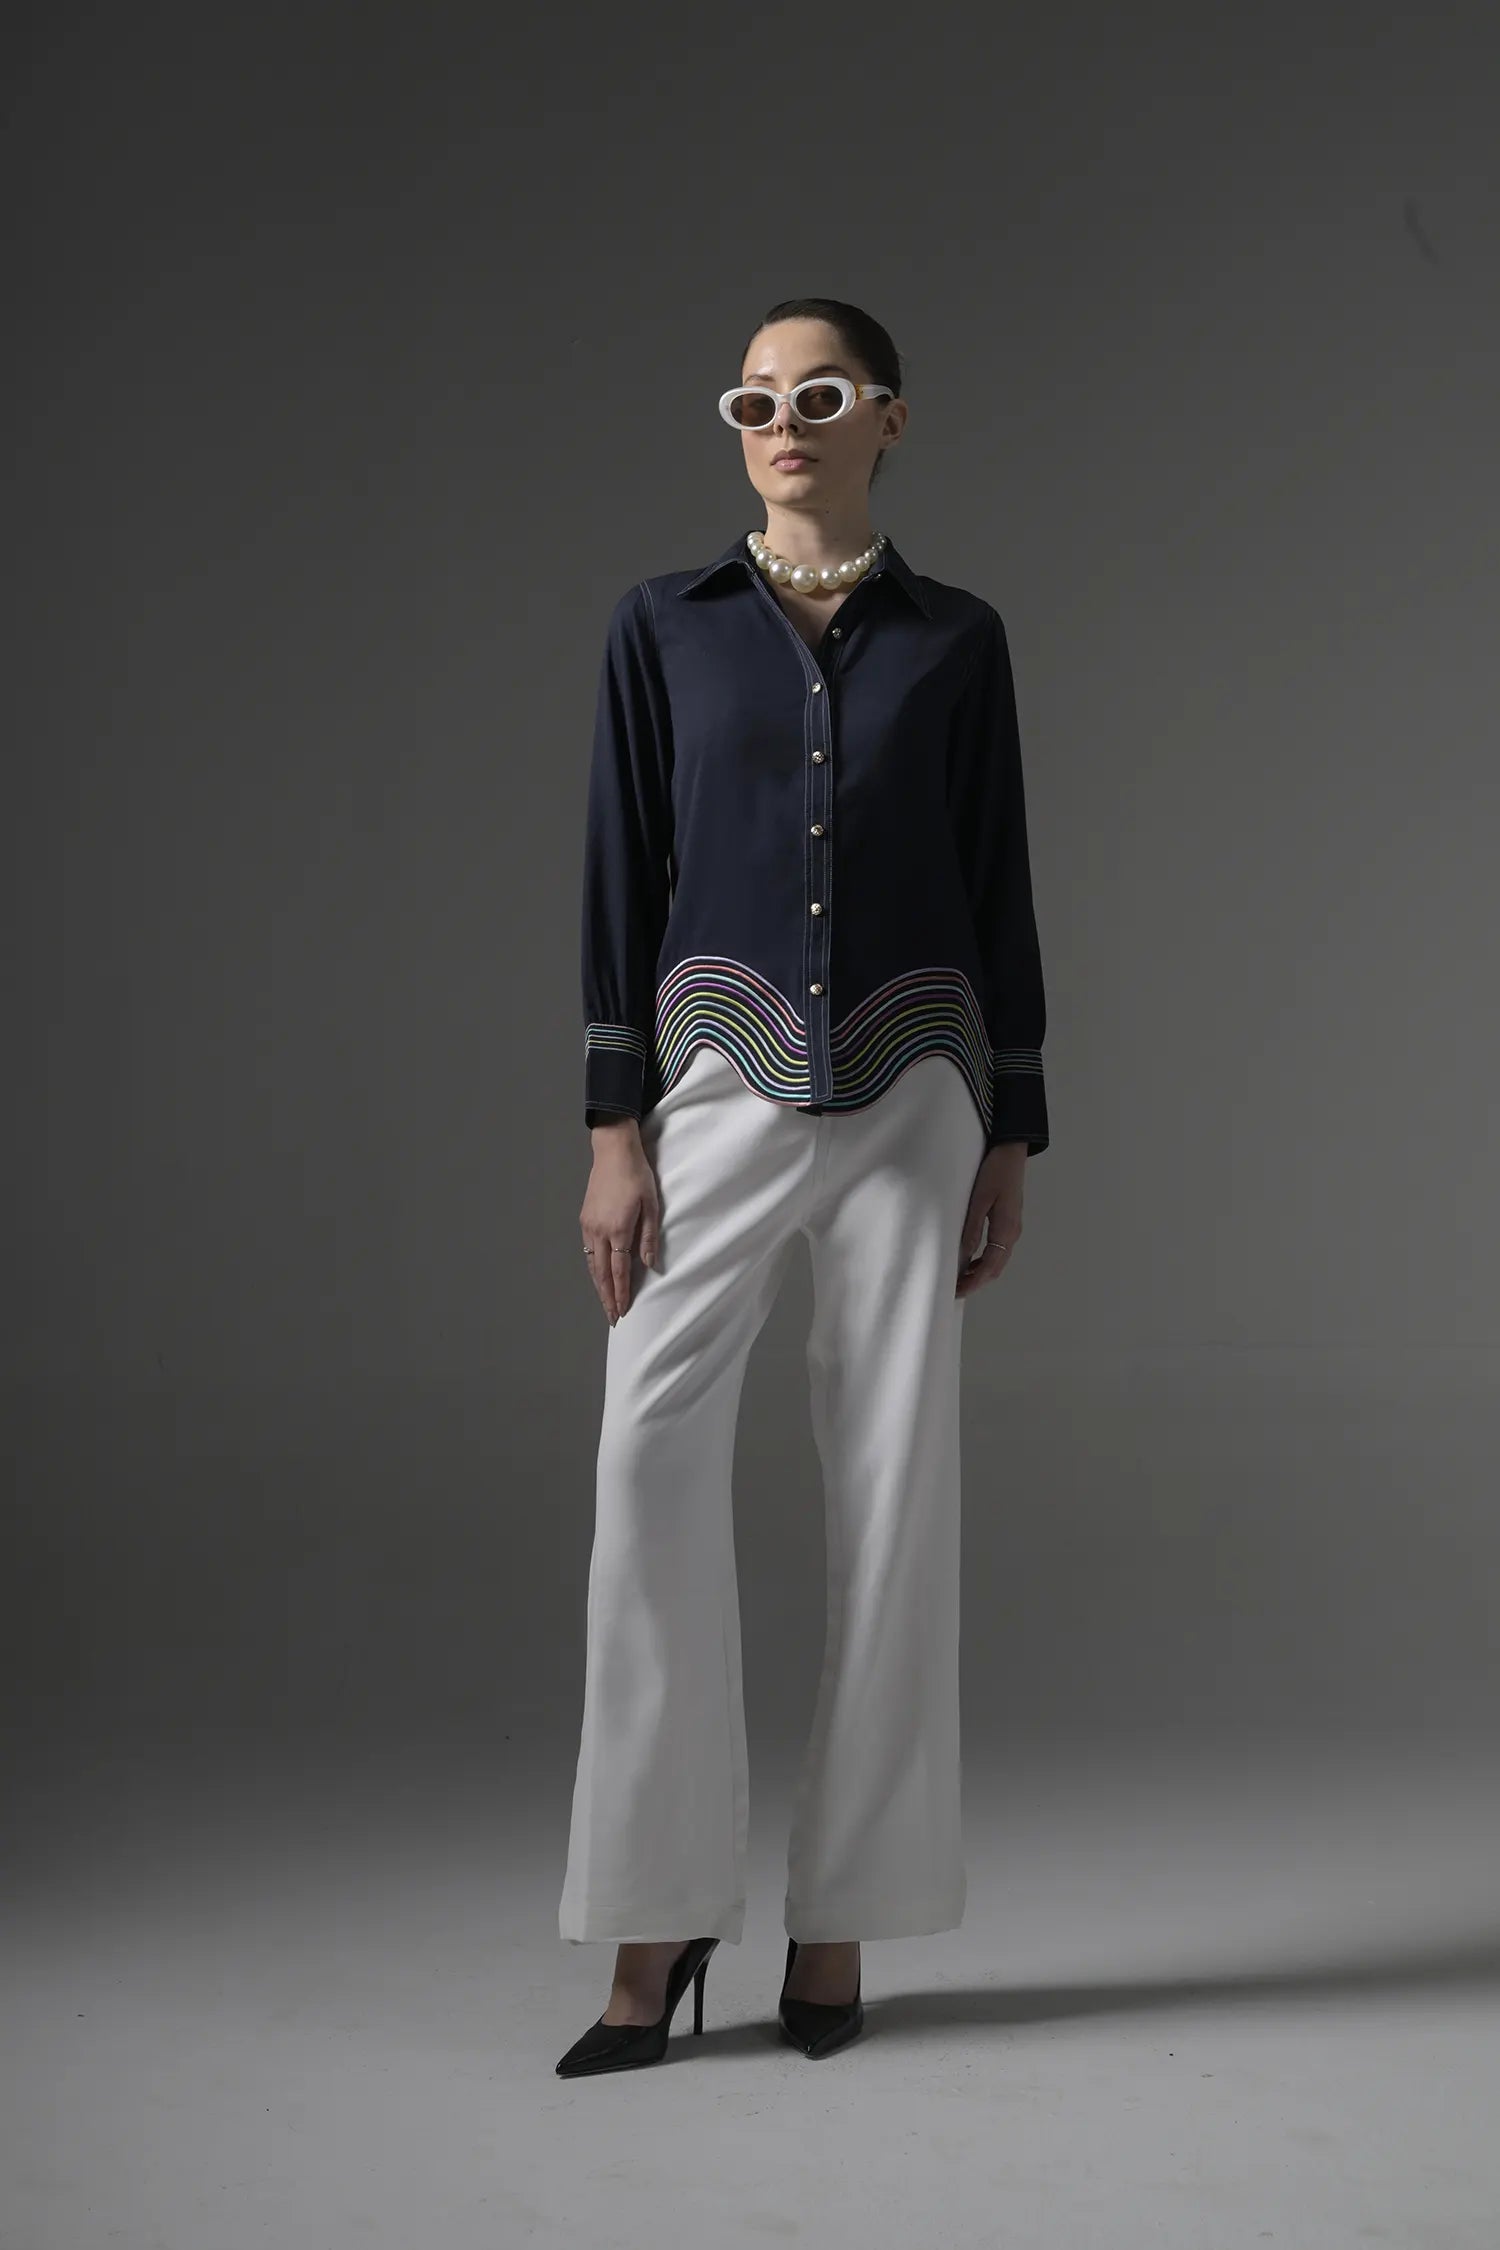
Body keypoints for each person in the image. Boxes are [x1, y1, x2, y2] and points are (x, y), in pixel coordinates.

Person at [555, 297, 1049, 2076]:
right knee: (645, 1462)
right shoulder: (663, 627)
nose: (782, 421)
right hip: (711, 1079)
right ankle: (659, 1902)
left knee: (898, 1487)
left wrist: (1014, 1122)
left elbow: (998, 875)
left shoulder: (959, 640)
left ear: (887, 419)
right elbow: (622, 868)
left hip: (920, 1084)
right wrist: (613, 1127)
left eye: (818, 394)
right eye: (754, 399)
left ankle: (842, 1906)